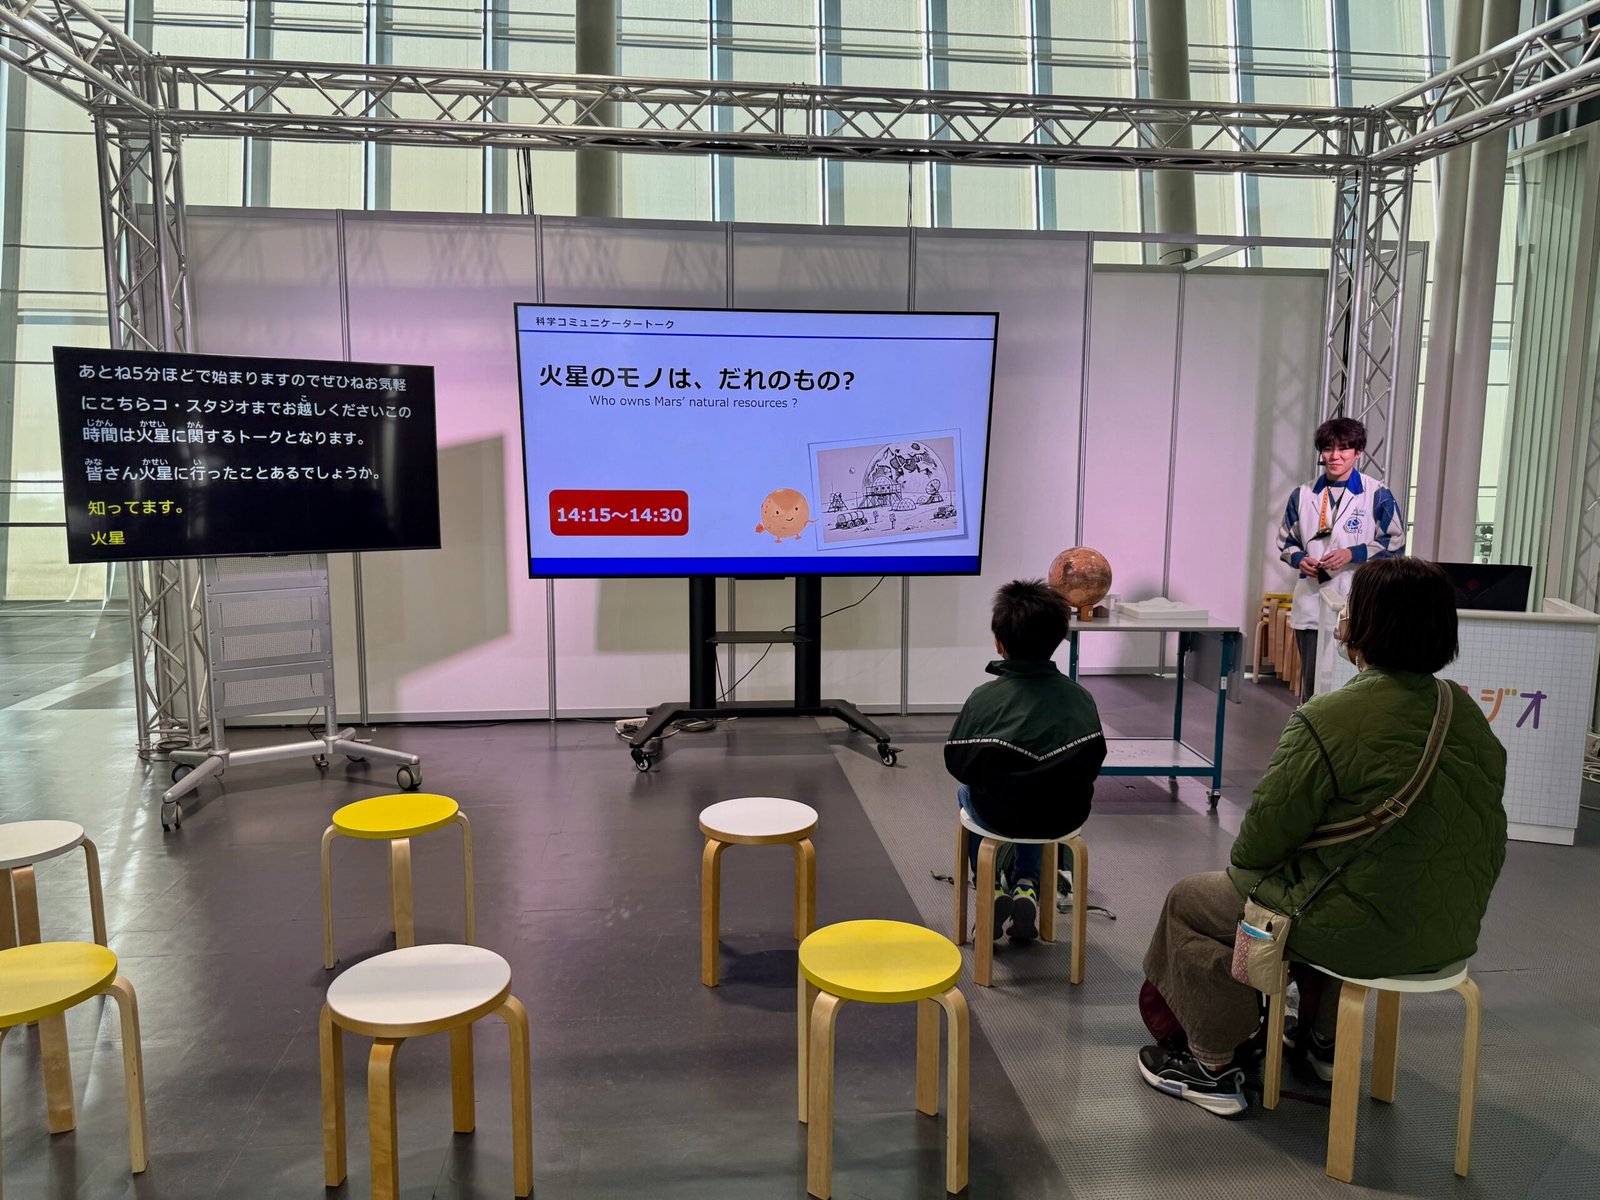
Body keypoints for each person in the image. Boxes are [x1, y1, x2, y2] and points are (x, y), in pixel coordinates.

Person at [1136, 557, 1507, 1117]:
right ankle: (1324, 1043)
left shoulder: (1328, 717)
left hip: (1357, 935)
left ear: (1363, 625)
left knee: (1192, 903)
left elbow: (1256, 847)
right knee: (1361, 885)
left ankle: (1213, 1065)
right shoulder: (1466, 713)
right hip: (1448, 933)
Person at [945, 579, 1107, 943]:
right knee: (1040, 793)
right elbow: (1093, 762)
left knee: (969, 793)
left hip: (998, 815)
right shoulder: (1081, 699)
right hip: (1064, 817)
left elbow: (957, 762)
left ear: (999, 643)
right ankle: (1026, 886)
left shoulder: (984, 699)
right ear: (1056, 641)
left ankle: (990, 891)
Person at [1278, 416, 1405, 698]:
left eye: (1344, 448)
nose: (1334, 456)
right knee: (1312, 685)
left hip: (1359, 601)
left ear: (1358, 452)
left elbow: (1396, 542)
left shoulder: (1377, 494)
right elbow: (1286, 541)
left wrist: (1352, 553)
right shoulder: (1303, 494)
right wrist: (1300, 559)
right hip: (1313, 599)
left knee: (1356, 683)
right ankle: (1310, 733)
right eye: (1327, 449)